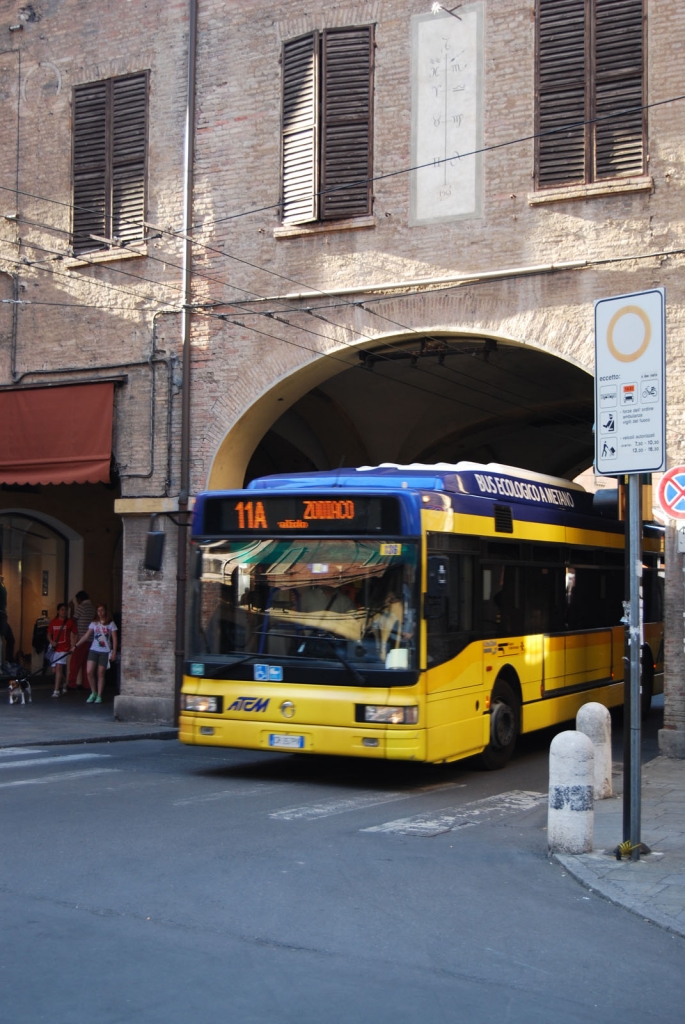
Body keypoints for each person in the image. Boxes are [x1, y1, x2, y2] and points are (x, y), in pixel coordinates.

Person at [73, 603, 117, 704]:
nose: (100, 613)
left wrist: (114, 652)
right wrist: (75, 646)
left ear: (105, 611)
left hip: (105, 651)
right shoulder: (94, 623)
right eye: (98, 611)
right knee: (89, 671)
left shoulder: (111, 624)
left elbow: (114, 638)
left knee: (100, 673)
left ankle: (99, 695)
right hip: (94, 649)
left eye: (102, 610)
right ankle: (93, 692)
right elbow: (85, 636)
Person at [47, 602, 77, 697]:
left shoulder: (69, 622)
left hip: (64, 648)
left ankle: (56, 690)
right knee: (55, 670)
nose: (64, 612)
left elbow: (76, 633)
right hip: (55, 649)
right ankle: (65, 682)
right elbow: (48, 634)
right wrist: (51, 641)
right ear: (58, 611)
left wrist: (73, 645)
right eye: (62, 610)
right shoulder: (53, 622)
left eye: (65, 610)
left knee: (59, 667)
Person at [67, 590, 96, 689]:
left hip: (82, 639)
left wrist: (71, 608)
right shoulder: (93, 608)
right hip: (92, 640)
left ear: (79, 599)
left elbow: (72, 621)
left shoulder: (81, 607)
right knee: (86, 663)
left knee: (75, 662)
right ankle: (86, 684)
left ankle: (72, 683)